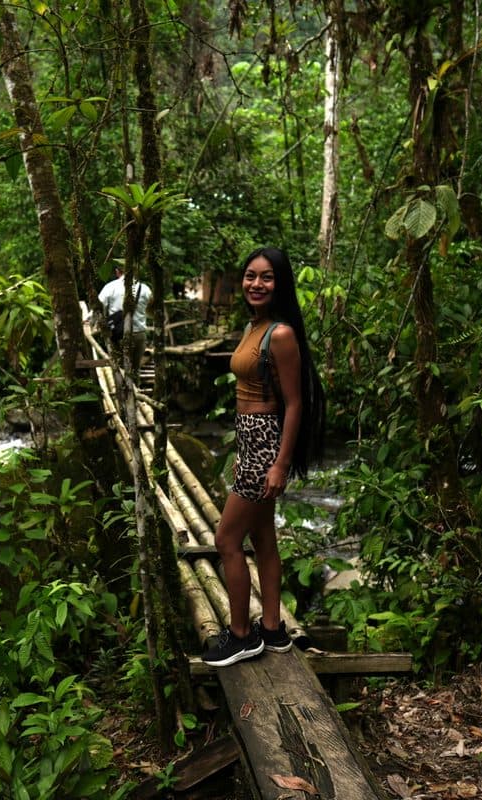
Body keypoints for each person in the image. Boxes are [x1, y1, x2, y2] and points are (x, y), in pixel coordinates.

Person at [201, 246, 326, 667]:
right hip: (251, 442)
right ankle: (272, 628)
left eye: (267, 277)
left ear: (280, 283)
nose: (256, 284)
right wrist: (244, 451)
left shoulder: (281, 334)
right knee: (263, 538)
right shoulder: (254, 325)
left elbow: (295, 403)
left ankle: (241, 635)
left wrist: (280, 464)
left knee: (226, 540)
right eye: (250, 275)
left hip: (266, 443)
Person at [98, 266, 151, 371]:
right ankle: (134, 380)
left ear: (117, 271)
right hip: (139, 335)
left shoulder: (110, 287)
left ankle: (120, 381)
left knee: (119, 368)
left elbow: (98, 307)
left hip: (118, 334)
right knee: (135, 369)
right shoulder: (145, 289)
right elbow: (151, 309)